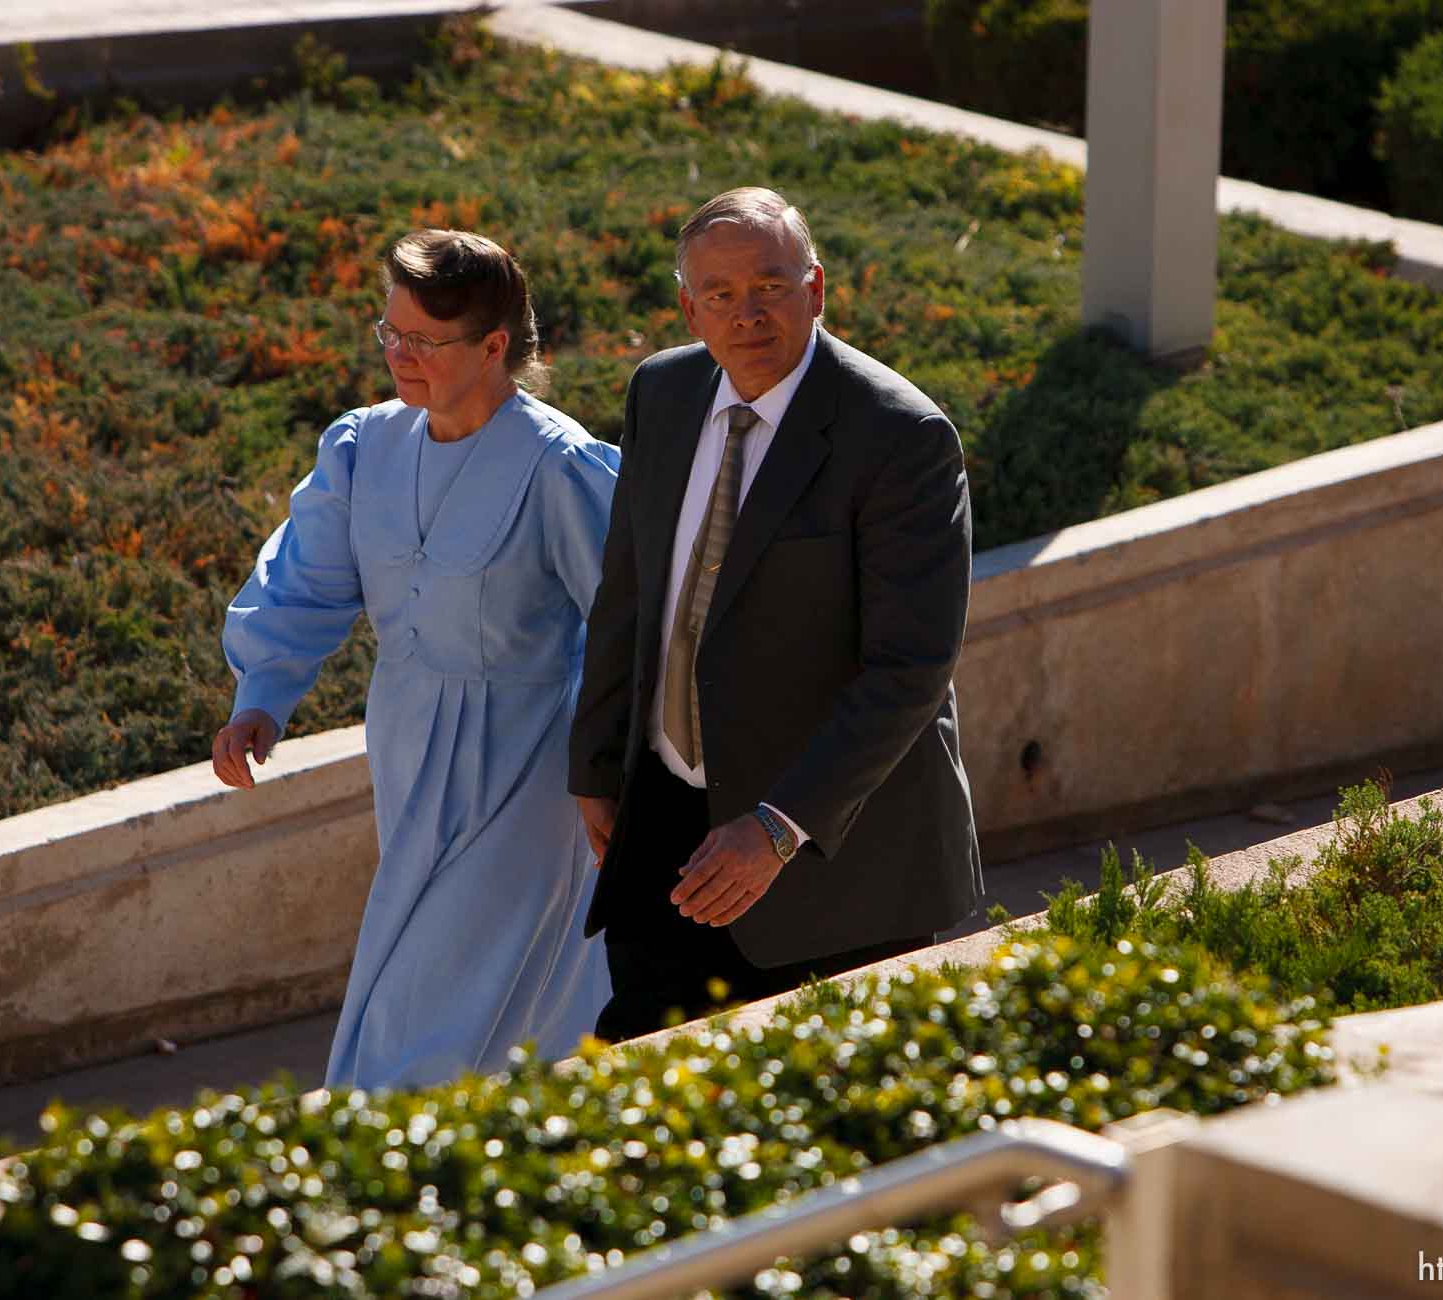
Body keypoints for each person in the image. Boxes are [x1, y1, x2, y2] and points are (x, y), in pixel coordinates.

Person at [569, 187, 982, 1042]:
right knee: (645, 1080)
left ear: (817, 289)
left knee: (843, 1119)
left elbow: (910, 668)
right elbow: (630, 588)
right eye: (718, 294)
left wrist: (777, 828)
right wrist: (598, 760)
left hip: (835, 857)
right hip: (667, 827)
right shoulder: (663, 393)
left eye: (770, 286)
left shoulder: (900, 437)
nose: (745, 313)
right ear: (689, 308)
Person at [212, 229, 618, 1089]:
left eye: (424, 342)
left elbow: (630, 625)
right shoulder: (363, 446)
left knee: (434, 994)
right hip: (405, 744)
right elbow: (304, 581)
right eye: (389, 333)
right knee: (493, 998)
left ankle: (369, 1155)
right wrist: (262, 697)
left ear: (495, 346)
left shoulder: (560, 464)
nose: (399, 355)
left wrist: (607, 770)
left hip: (531, 766)